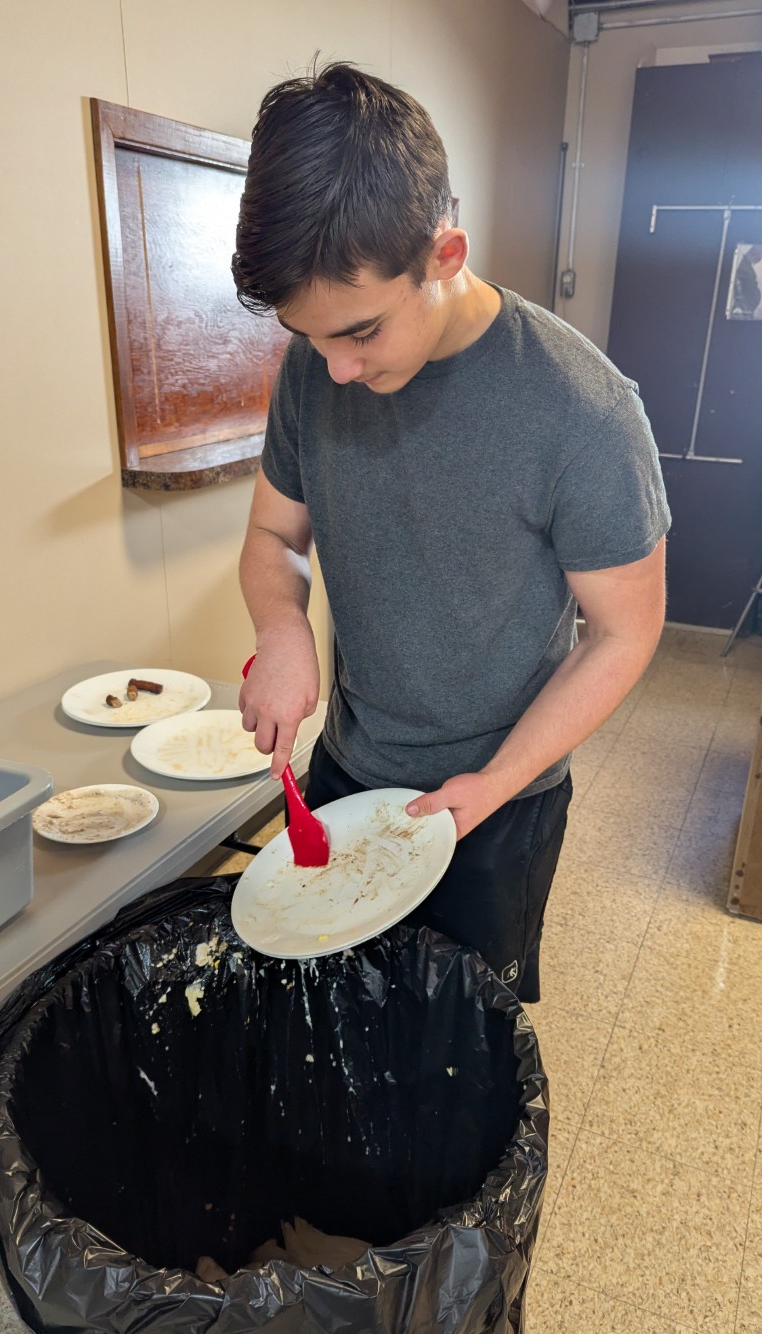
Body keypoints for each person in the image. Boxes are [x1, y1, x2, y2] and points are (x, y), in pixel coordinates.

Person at [231, 61, 670, 1002]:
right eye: (311, 340)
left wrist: (501, 778)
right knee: (334, 1021)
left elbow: (626, 633)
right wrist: (281, 630)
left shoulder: (582, 410)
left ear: (445, 253)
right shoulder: (313, 374)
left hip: (498, 799)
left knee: (462, 1064)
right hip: (350, 774)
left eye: (360, 332)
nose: (336, 372)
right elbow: (275, 539)